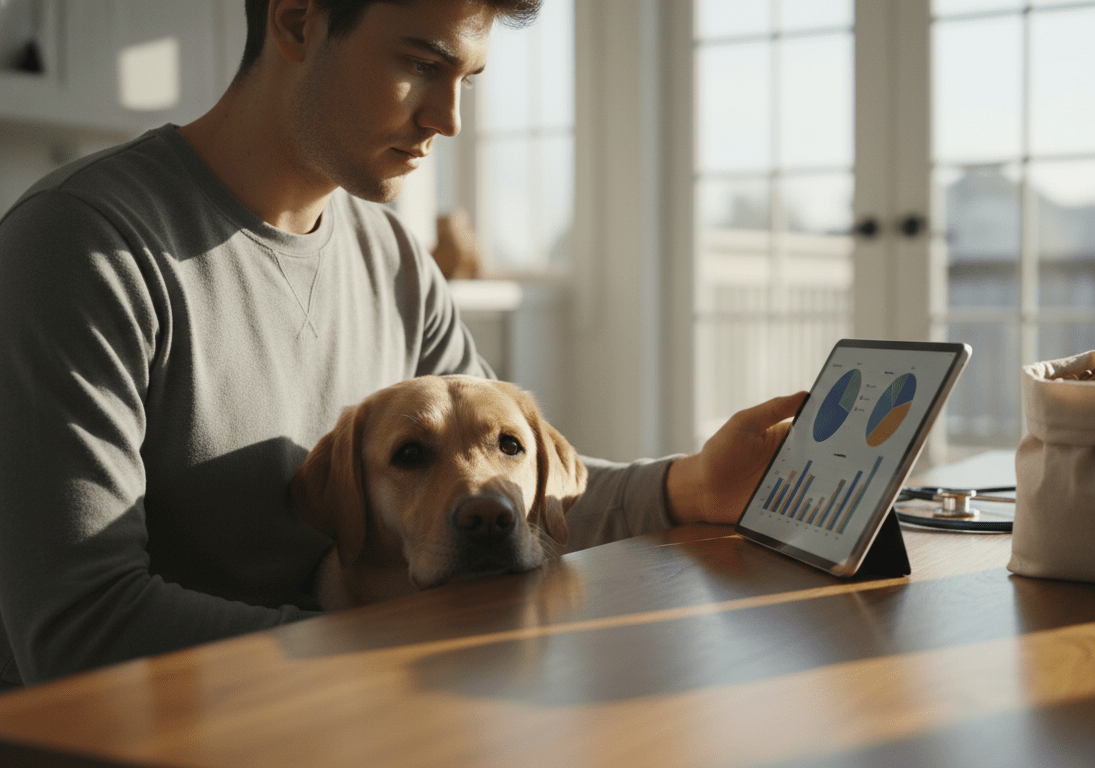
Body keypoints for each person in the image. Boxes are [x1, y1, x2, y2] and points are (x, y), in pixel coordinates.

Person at [0, 0, 804, 688]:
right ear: (296, 19)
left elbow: (506, 493)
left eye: (466, 82)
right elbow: (80, 630)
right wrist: (384, 656)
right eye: (422, 64)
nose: (448, 119)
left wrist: (692, 485)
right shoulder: (82, 245)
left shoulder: (391, 257)